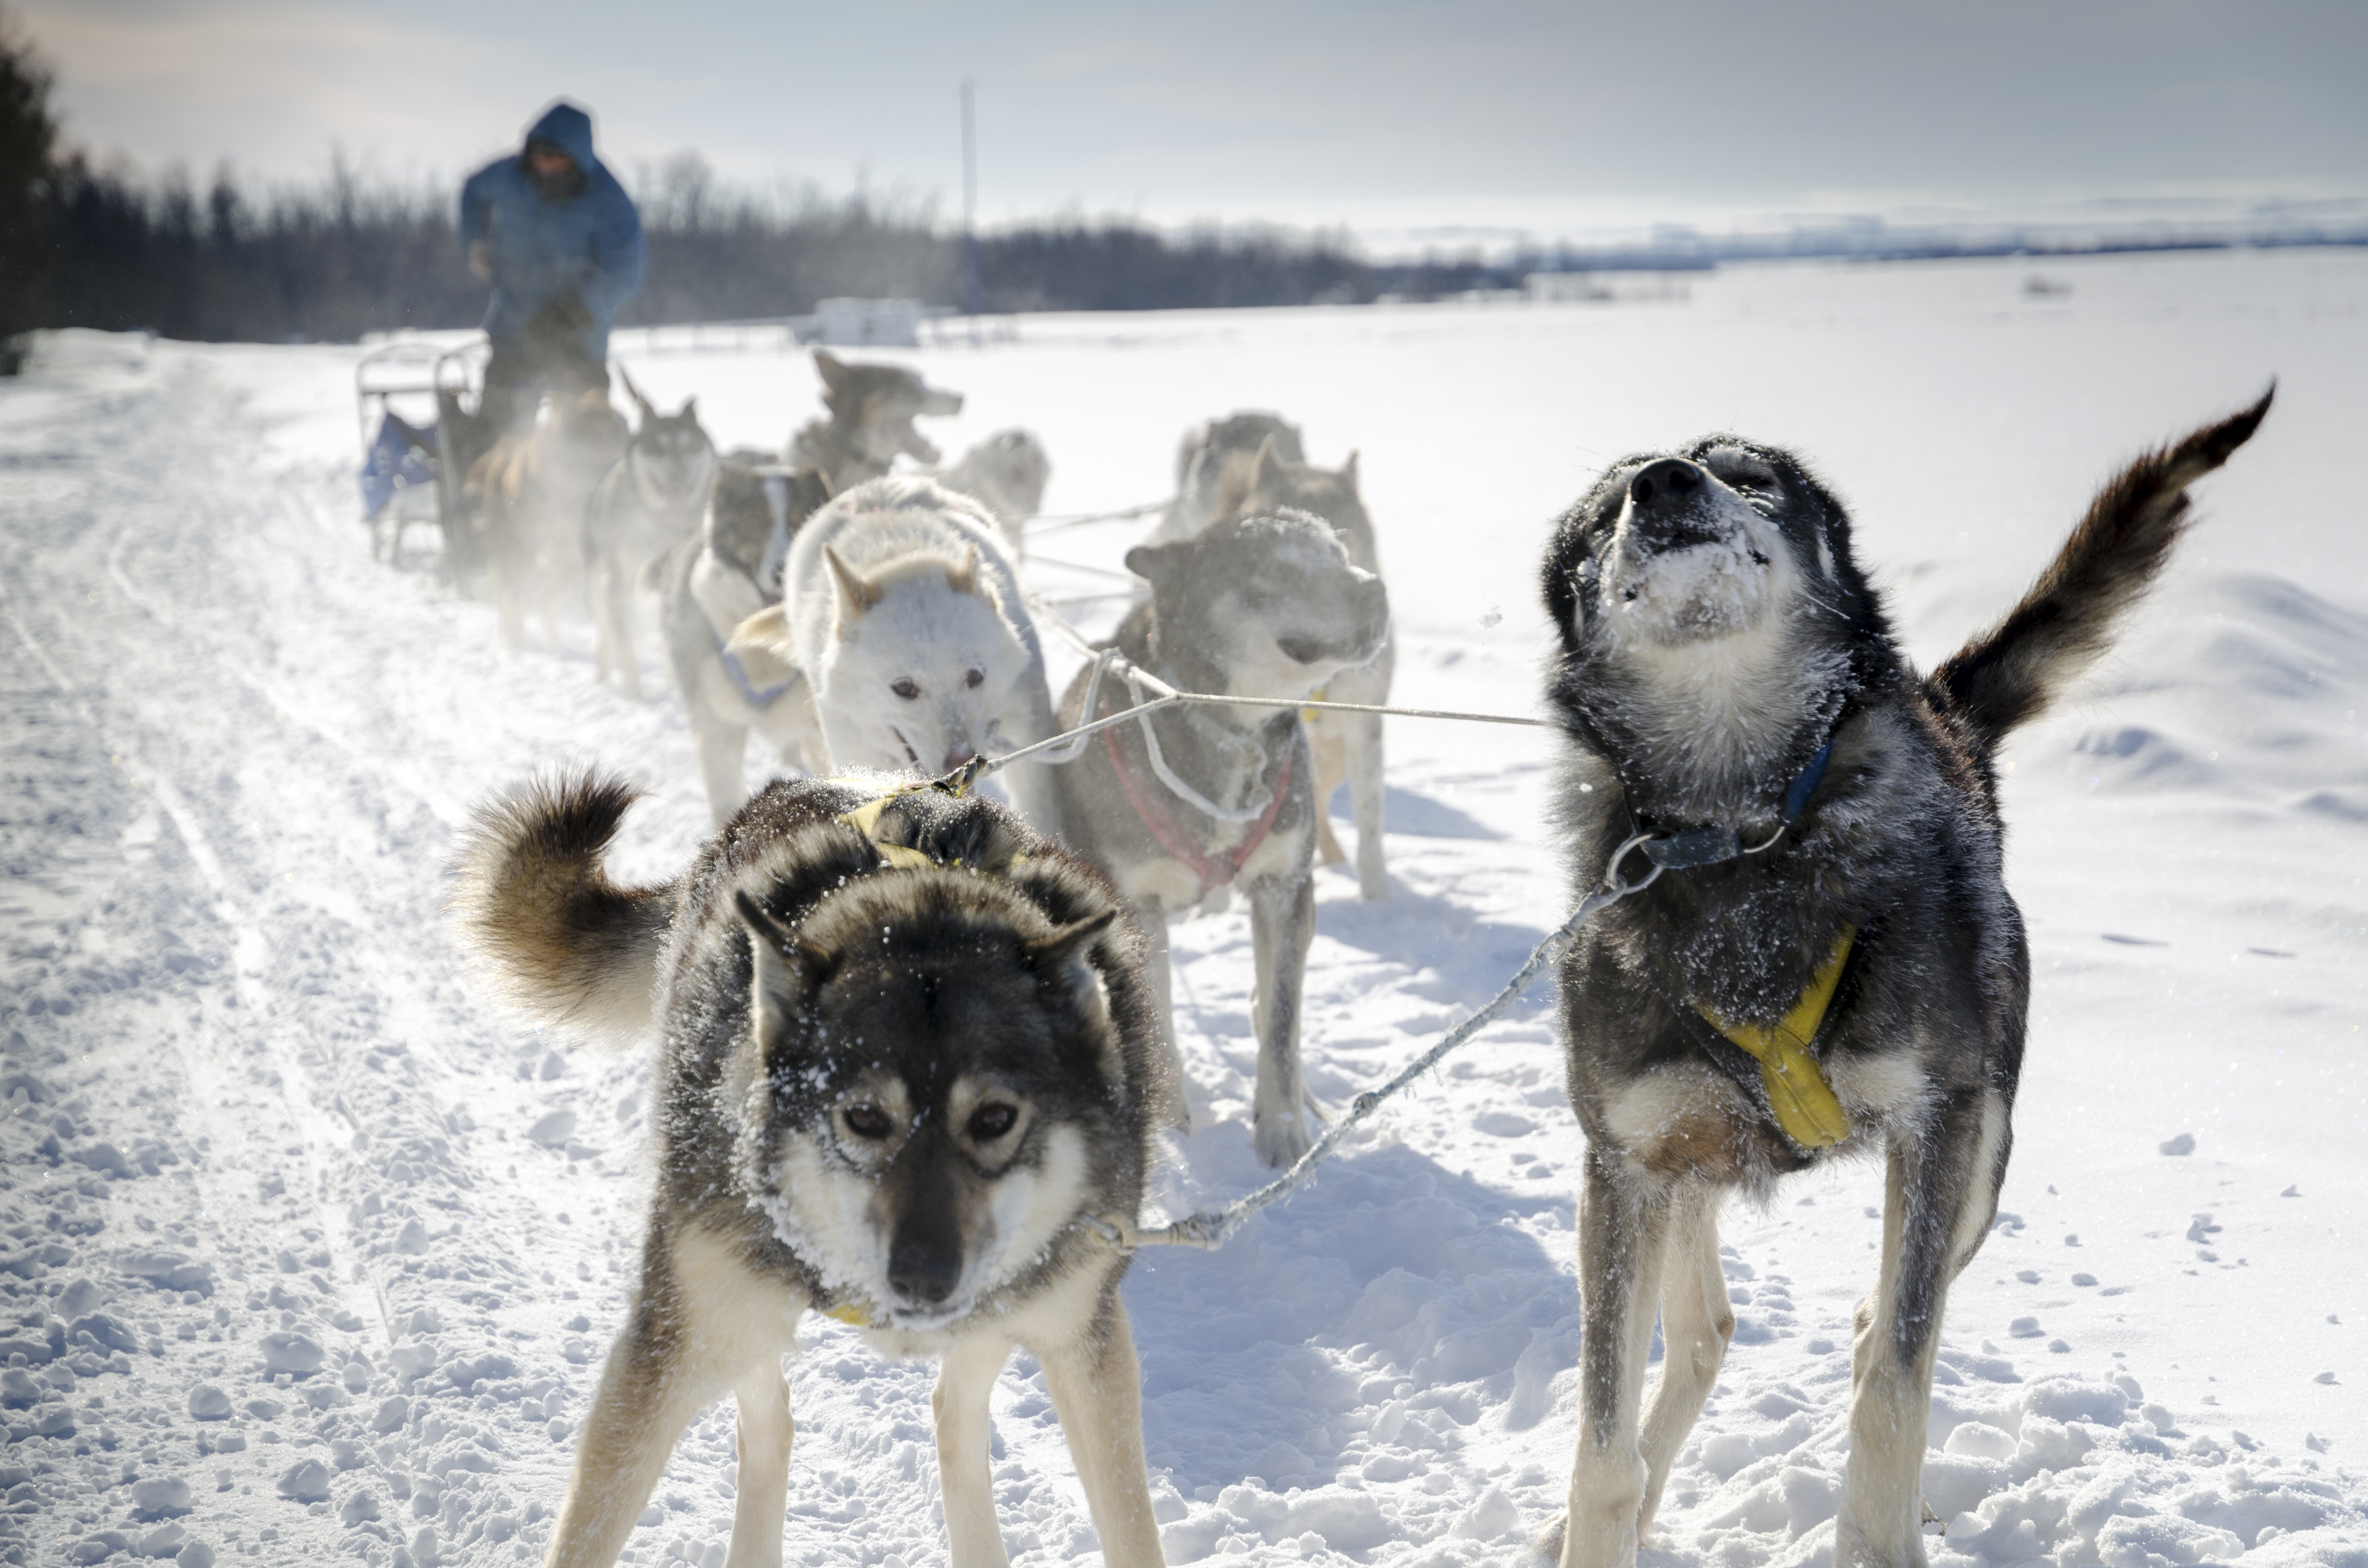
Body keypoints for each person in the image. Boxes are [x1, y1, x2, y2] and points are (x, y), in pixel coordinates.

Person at [458, 100, 645, 437]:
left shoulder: (609, 199)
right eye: (539, 157)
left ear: (576, 160)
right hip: (513, 326)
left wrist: (573, 311)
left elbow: (625, 269)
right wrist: (476, 241)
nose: (545, 167)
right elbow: (472, 190)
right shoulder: (507, 177)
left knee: (587, 436)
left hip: (578, 339)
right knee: (495, 429)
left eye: (556, 159)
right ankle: (487, 480)